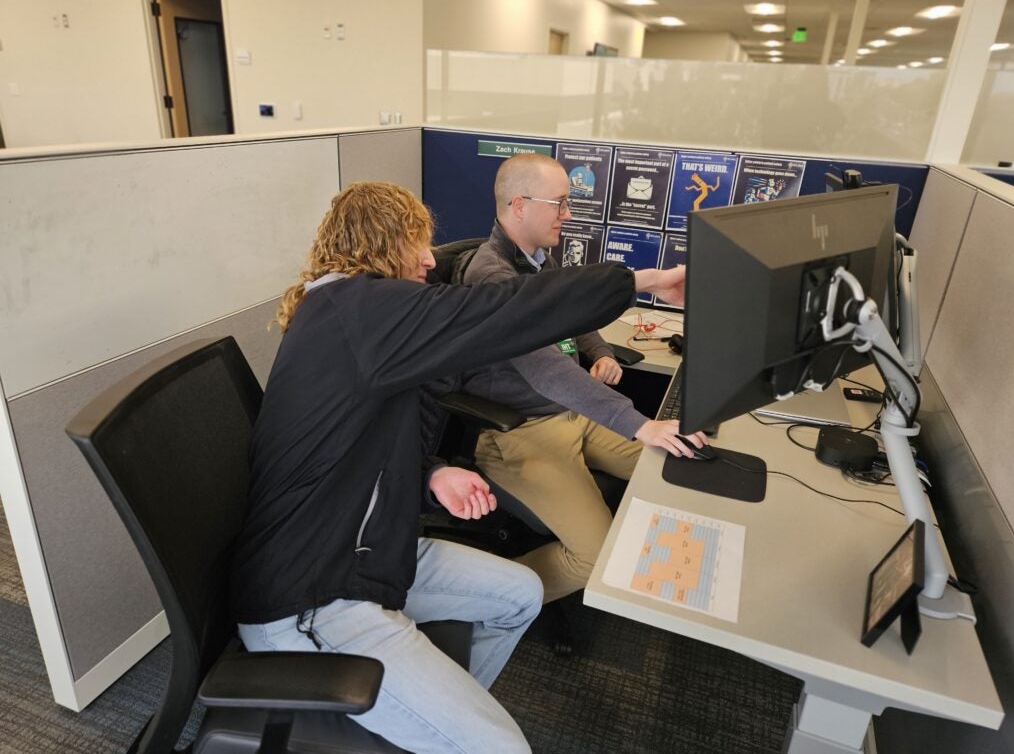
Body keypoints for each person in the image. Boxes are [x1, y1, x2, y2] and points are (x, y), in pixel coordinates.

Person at [228, 181, 693, 754]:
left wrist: (432, 474)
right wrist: (643, 280)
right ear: (377, 244)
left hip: (371, 549)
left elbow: (362, 444)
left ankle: (434, 726)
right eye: (416, 243)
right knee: (504, 748)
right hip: (312, 595)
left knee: (519, 592)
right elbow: (505, 309)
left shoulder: (354, 320)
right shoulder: (356, 309)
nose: (430, 259)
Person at [460, 153, 708, 605]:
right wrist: (639, 423)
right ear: (519, 205)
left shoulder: (538, 262)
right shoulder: (490, 278)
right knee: (596, 557)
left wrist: (600, 352)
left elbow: (577, 315)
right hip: (518, 432)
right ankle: (477, 604)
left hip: (570, 414)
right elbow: (545, 368)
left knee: (676, 468)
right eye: (559, 204)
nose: (568, 215)